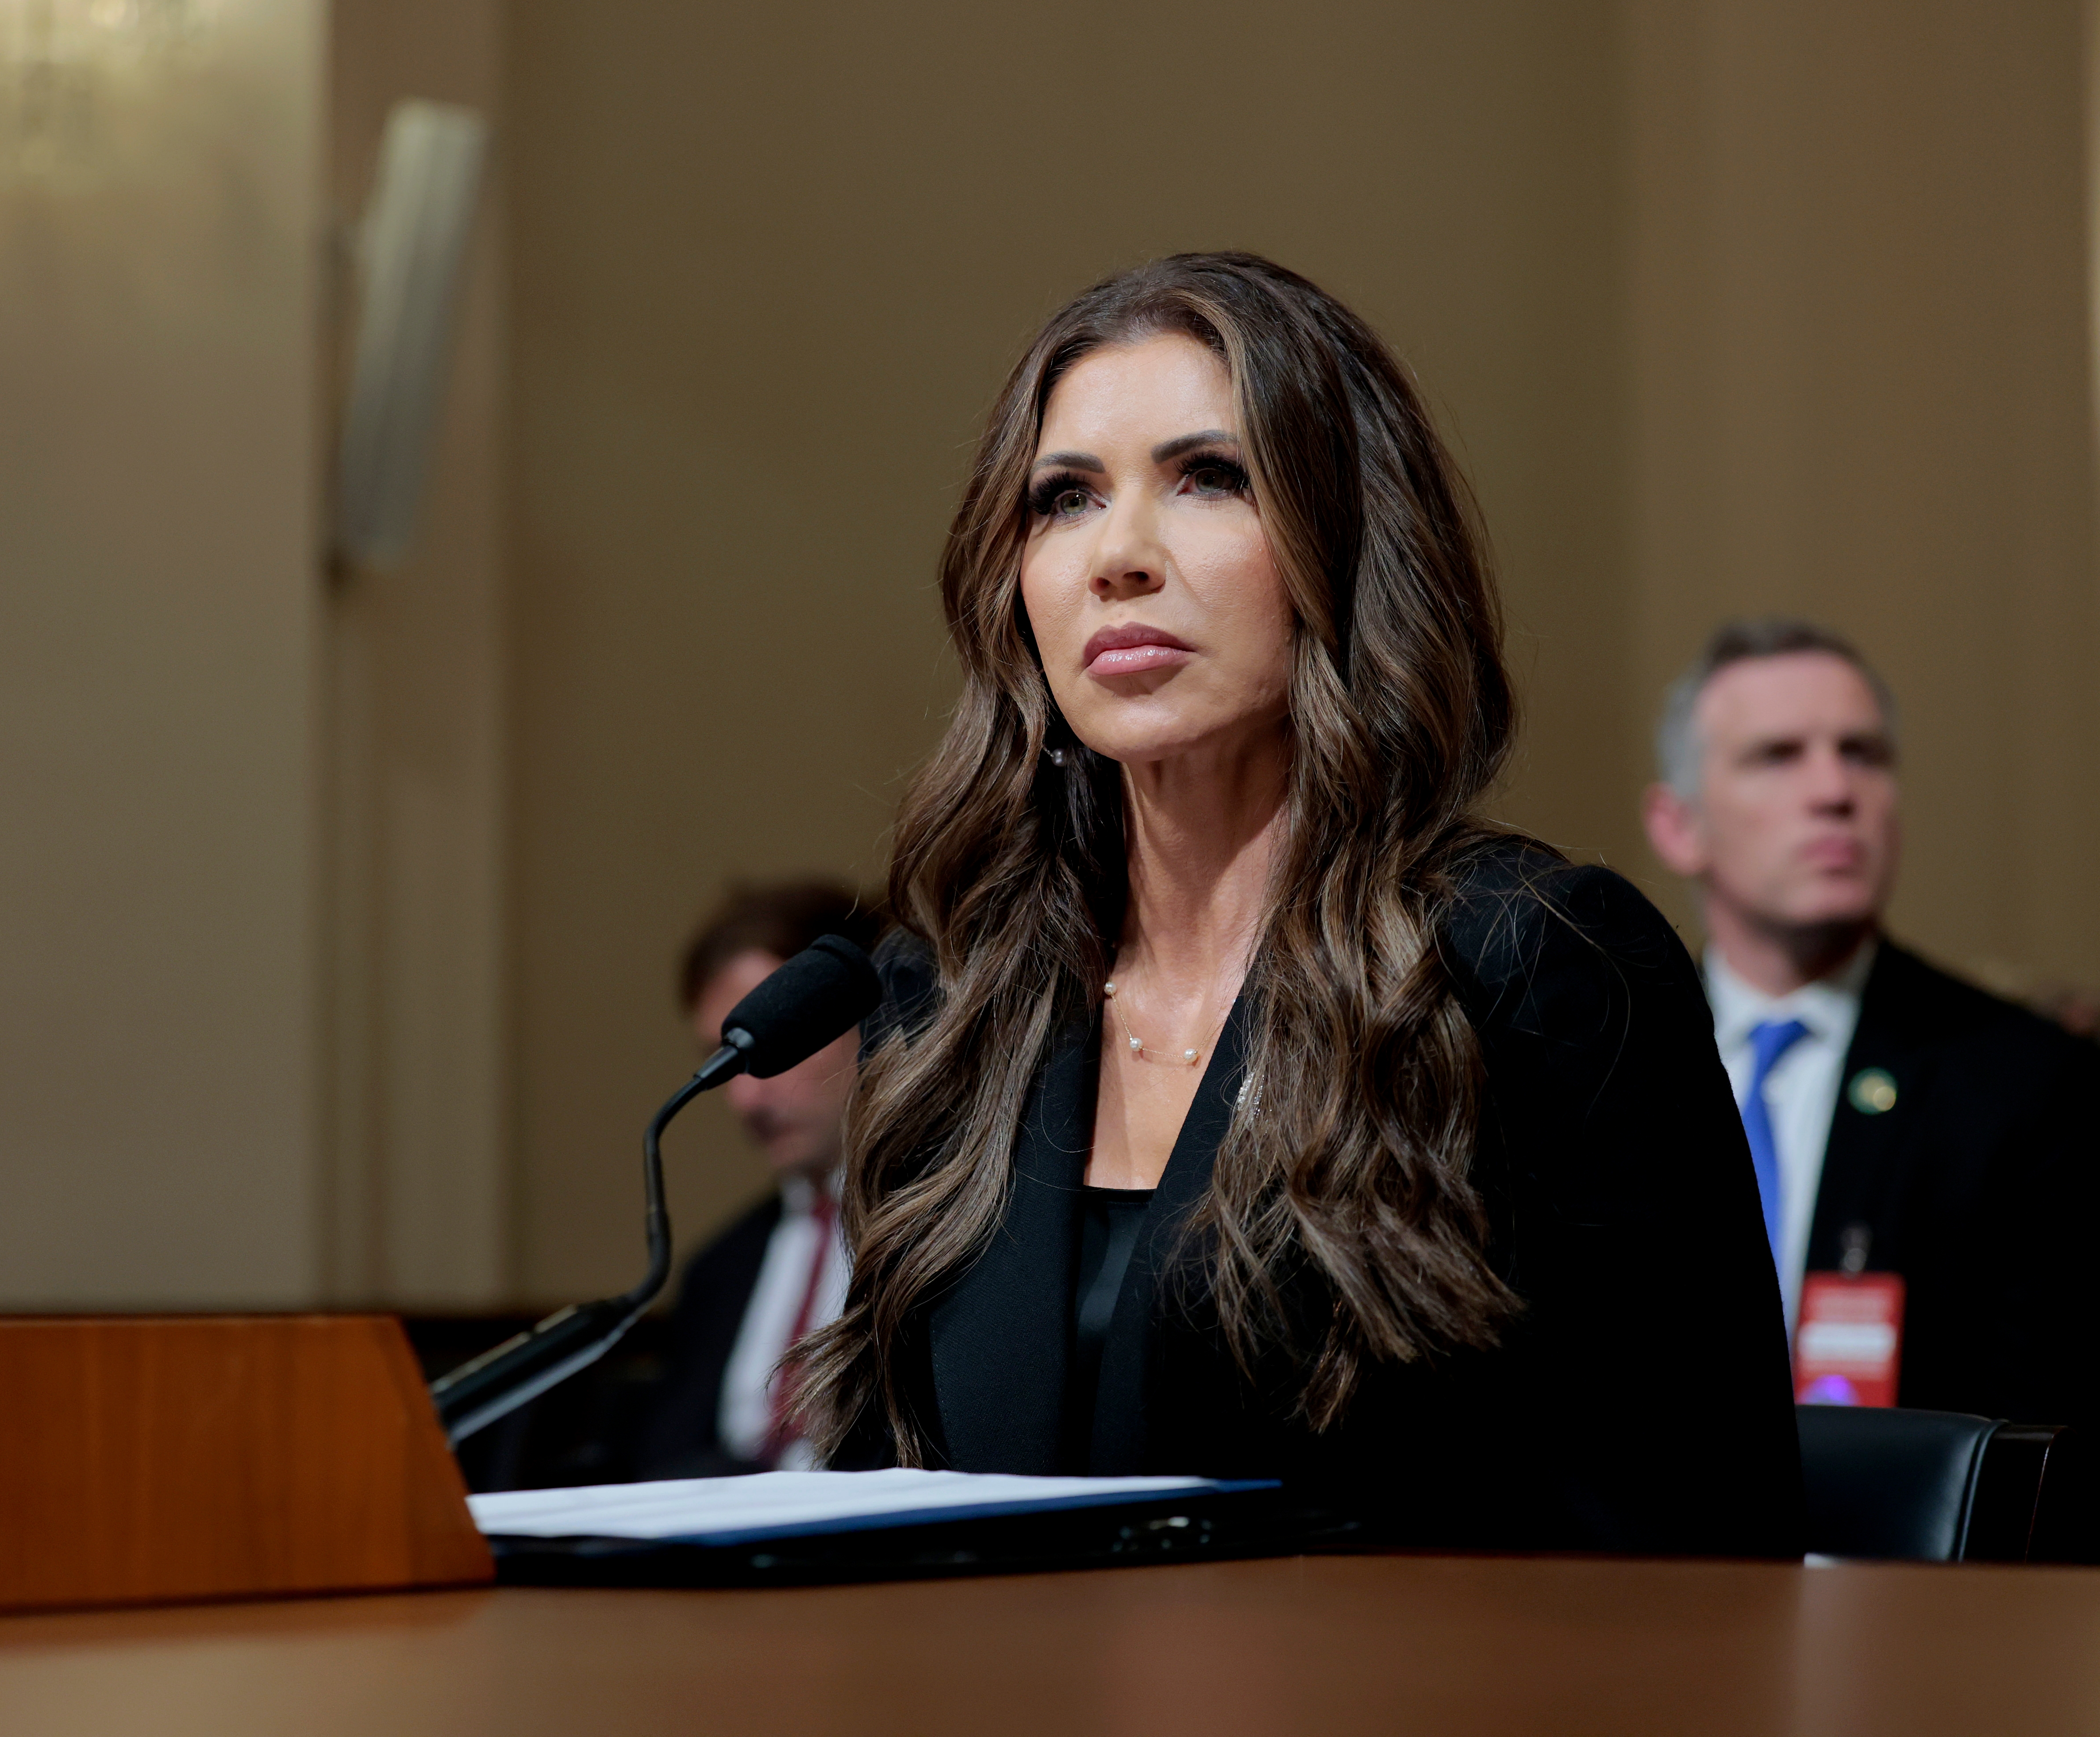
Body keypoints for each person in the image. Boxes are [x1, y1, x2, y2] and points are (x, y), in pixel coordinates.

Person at [791, 253, 1802, 1557]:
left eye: (1209, 478)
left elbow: (1703, 1540)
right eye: (1065, 499)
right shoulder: (953, 1004)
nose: (1121, 557)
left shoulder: (1532, 966)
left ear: (1344, 539)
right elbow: (883, 1507)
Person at [1640, 619, 2100, 1428]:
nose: (1835, 791)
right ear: (1678, 826)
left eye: (1862, 754)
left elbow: (2045, 1437)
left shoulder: (2026, 1082)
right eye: (1778, 755)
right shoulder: (1611, 1068)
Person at [629, 880, 888, 1477]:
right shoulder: (718, 1271)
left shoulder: (954, 1236)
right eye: (725, 1059)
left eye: (771, 1047)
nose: (745, 1097)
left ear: (869, 1017)